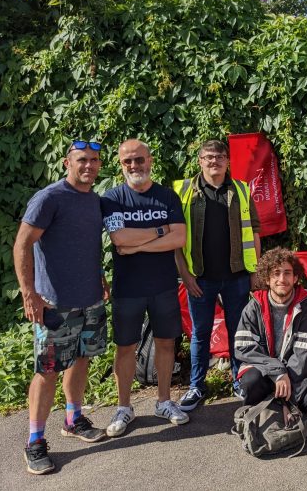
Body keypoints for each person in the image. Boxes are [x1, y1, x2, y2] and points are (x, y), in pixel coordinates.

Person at [14, 140, 108, 475]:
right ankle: (35, 442)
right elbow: (23, 243)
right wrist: (29, 292)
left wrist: (99, 277)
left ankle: (73, 418)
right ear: (67, 162)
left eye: (94, 161)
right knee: (48, 369)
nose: (89, 166)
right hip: (55, 305)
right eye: (82, 160)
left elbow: (86, 244)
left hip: (90, 300)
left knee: (81, 358)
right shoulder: (49, 198)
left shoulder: (94, 200)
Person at [101, 139, 188, 436]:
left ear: (150, 160)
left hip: (163, 285)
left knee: (166, 344)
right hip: (128, 289)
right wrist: (158, 233)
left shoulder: (166, 197)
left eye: (139, 159)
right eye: (128, 161)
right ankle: (124, 407)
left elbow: (179, 238)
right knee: (124, 348)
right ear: (121, 164)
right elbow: (119, 239)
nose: (134, 166)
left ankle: (163, 402)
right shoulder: (112, 198)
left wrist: (139, 244)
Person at [173, 139, 261, 411]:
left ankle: (238, 380)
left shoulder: (241, 190)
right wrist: (185, 276)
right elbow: (175, 239)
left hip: (236, 276)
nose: (214, 161)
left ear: (228, 161)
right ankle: (197, 386)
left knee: (239, 331)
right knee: (200, 334)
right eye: (208, 157)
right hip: (200, 278)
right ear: (200, 161)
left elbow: (254, 230)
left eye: (219, 157)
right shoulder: (184, 190)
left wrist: (255, 272)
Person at [234, 248, 307, 420]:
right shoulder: (254, 306)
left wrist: (287, 397)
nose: (282, 279)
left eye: (287, 273)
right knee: (251, 382)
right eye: (276, 273)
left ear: (295, 278)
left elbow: (303, 354)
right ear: (267, 278)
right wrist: (278, 372)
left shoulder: (305, 305)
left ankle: (277, 404)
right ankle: (265, 409)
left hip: (295, 372)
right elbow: (243, 348)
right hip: (263, 371)